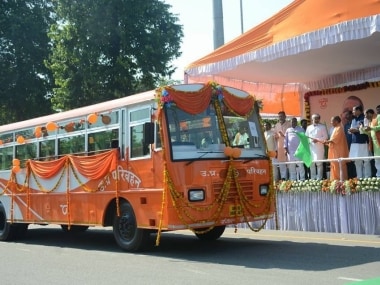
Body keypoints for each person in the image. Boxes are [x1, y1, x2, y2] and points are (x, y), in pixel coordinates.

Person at [348, 105, 371, 178]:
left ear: (359, 111)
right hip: (355, 143)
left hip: (363, 142)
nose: (353, 112)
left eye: (354, 110)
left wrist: (357, 130)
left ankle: (367, 177)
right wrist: (351, 130)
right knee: (357, 161)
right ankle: (359, 177)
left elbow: (367, 129)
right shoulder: (353, 120)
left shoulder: (364, 118)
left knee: (366, 161)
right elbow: (351, 130)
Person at [324, 116, 349, 181]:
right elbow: (332, 141)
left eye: (332, 121)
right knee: (334, 165)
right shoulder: (336, 128)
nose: (331, 122)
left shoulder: (339, 128)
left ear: (336, 121)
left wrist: (327, 141)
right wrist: (327, 142)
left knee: (338, 165)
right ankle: (335, 180)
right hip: (334, 150)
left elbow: (334, 139)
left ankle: (340, 180)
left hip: (338, 151)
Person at [305, 113, 328, 180]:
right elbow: (306, 137)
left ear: (319, 119)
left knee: (319, 164)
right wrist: (311, 140)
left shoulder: (322, 127)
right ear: (312, 119)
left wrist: (317, 140)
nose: (316, 119)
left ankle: (319, 179)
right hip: (311, 147)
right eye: (314, 118)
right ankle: (313, 179)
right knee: (312, 164)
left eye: (317, 118)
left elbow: (325, 137)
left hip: (319, 148)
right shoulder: (309, 127)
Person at [362, 108, 380, 177]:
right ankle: (378, 177)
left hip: (379, 142)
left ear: (370, 113)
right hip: (375, 145)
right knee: (377, 162)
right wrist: (363, 130)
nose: (365, 117)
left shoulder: (378, 117)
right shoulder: (371, 121)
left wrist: (371, 128)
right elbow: (370, 133)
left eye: (366, 115)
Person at [274, 111, 291, 180]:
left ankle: (291, 178)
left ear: (285, 117)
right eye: (279, 116)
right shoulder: (277, 125)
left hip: (288, 146)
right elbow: (275, 135)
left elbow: (291, 135)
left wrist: (283, 135)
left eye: (282, 116)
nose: (280, 117)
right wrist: (276, 135)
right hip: (280, 147)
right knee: (281, 163)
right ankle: (284, 178)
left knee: (289, 162)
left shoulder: (289, 124)